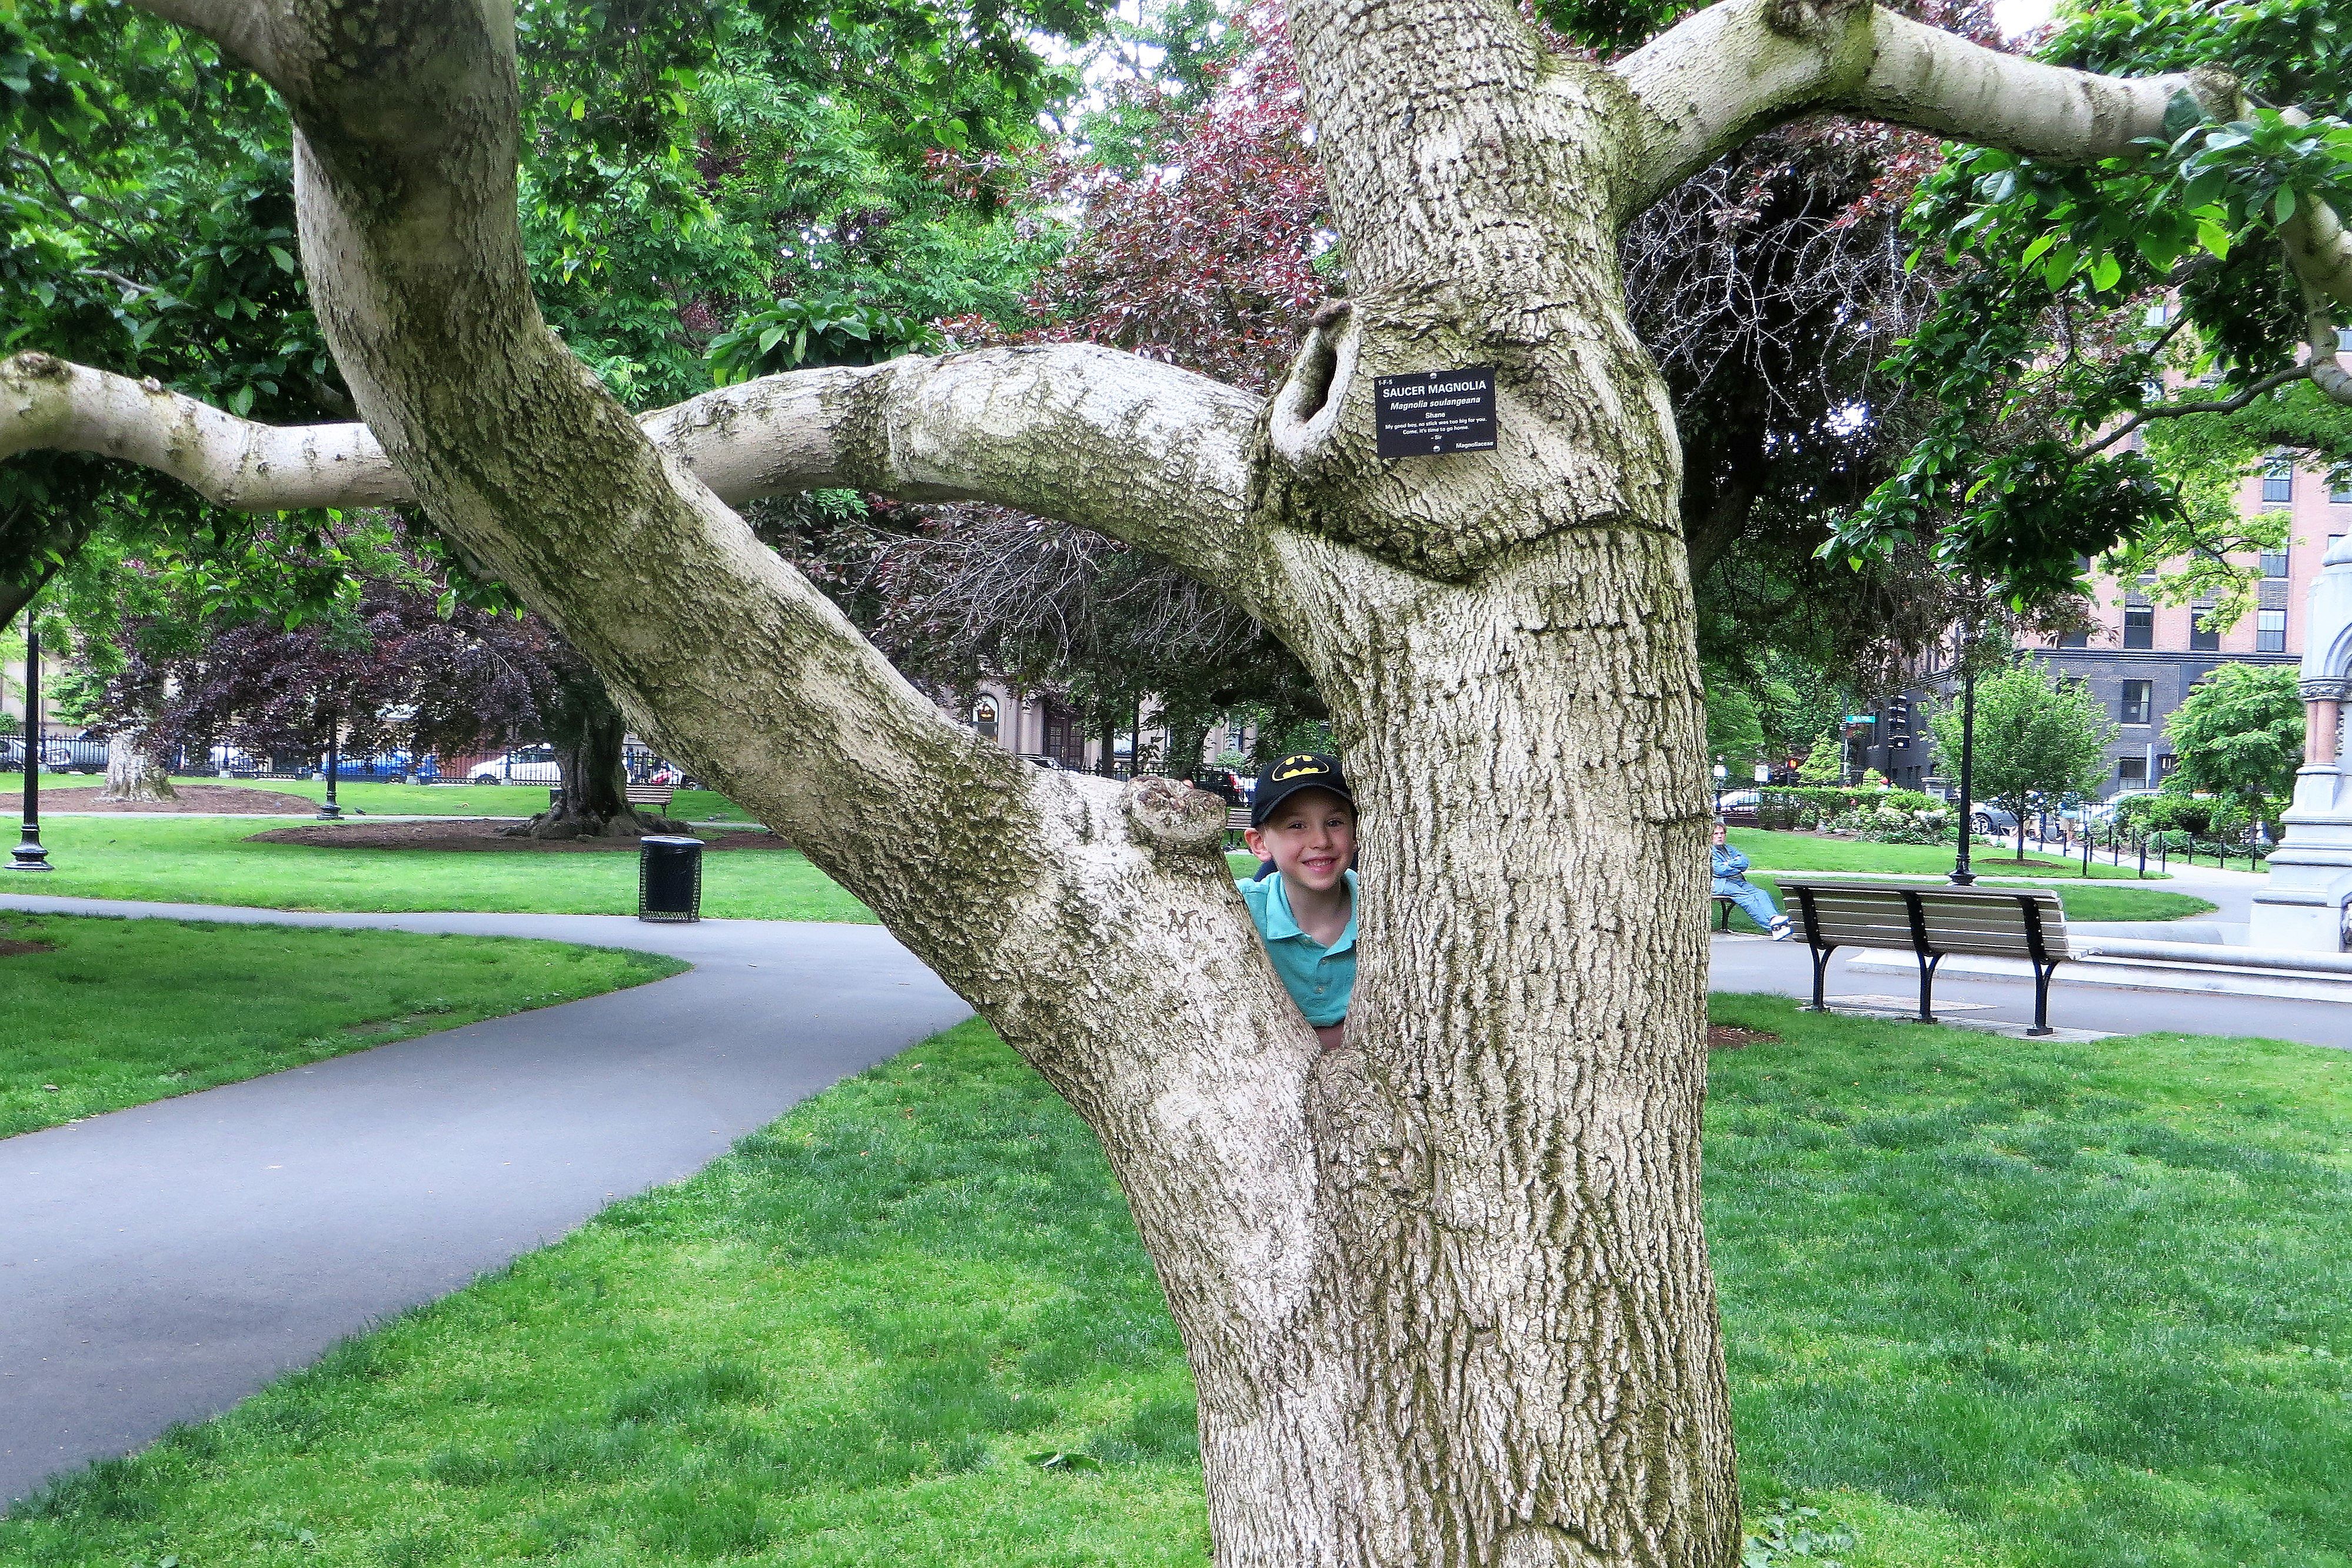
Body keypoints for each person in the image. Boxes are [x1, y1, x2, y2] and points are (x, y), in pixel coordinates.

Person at [1237, 752, 1358, 1049]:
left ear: (1357, 832)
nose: (1321, 841)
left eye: (1334, 822)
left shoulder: (1387, 909)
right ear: (1260, 843)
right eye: (1297, 826)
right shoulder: (1238, 910)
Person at [1712, 822, 1792, 939]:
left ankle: (1774, 918)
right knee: (1748, 899)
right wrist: (1735, 864)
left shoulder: (1728, 849)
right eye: (1716, 834)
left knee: (1761, 893)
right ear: (1710, 836)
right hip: (1721, 884)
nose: (1720, 836)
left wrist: (1729, 864)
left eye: (1722, 833)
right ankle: (1773, 928)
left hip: (1737, 881)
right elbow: (1720, 871)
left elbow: (1745, 863)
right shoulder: (1710, 851)